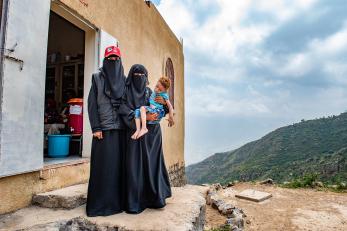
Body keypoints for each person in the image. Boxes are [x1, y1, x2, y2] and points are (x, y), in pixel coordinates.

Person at [119, 64, 172, 214]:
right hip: (134, 135)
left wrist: (164, 109)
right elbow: (122, 109)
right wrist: (142, 118)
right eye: (136, 75)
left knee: (152, 166)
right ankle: (134, 202)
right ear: (131, 76)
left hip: (152, 136)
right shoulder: (126, 92)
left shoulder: (149, 92)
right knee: (134, 168)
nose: (139, 78)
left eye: (142, 75)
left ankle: (155, 198)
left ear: (146, 78)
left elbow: (162, 109)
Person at [86, 45, 126, 217]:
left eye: (116, 59)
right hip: (103, 130)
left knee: (119, 168)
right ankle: (100, 205)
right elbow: (92, 104)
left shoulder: (125, 79)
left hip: (121, 130)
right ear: (104, 60)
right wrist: (96, 127)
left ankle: (118, 203)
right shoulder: (96, 78)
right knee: (103, 169)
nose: (113, 61)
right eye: (110, 59)